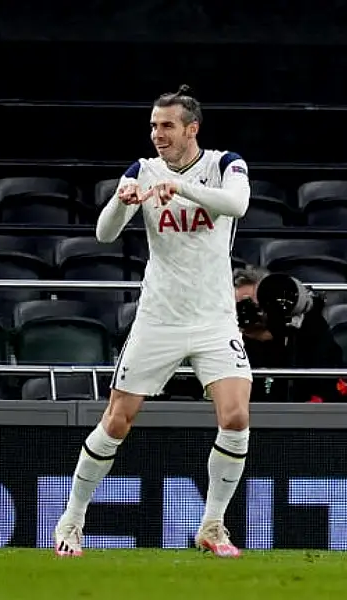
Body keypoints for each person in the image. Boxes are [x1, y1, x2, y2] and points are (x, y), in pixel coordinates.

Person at [53, 85, 252, 558]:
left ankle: (212, 525)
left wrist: (180, 186)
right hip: (158, 317)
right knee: (117, 420)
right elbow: (103, 235)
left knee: (237, 416)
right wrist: (123, 200)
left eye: (166, 126)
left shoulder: (225, 165)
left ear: (191, 129)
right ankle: (70, 521)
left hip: (214, 317)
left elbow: (238, 205)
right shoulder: (142, 170)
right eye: (153, 126)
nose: (157, 135)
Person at [234, 267, 347, 403]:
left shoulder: (307, 330)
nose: (244, 311)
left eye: (249, 303)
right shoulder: (231, 341)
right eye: (238, 305)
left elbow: (327, 379)